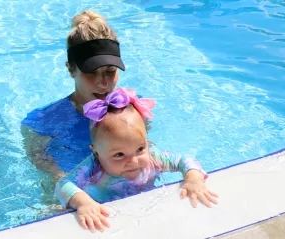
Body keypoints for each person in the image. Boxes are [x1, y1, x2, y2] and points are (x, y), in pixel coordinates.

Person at [55, 89, 218, 232]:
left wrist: (193, 178)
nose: (133, 161)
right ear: (96, 153)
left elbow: (184, 158)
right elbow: (63, 185)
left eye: (140, 149)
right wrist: (84, 203)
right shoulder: (94, 167)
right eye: (119, 155)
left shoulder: (153, 158)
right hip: (102, 209)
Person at [21, 10, 125, 180]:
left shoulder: (132, 108)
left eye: (110, 71)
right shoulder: (40, 123)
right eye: (91, 73)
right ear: (71, 69)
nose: (103, 83)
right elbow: (46, 172)